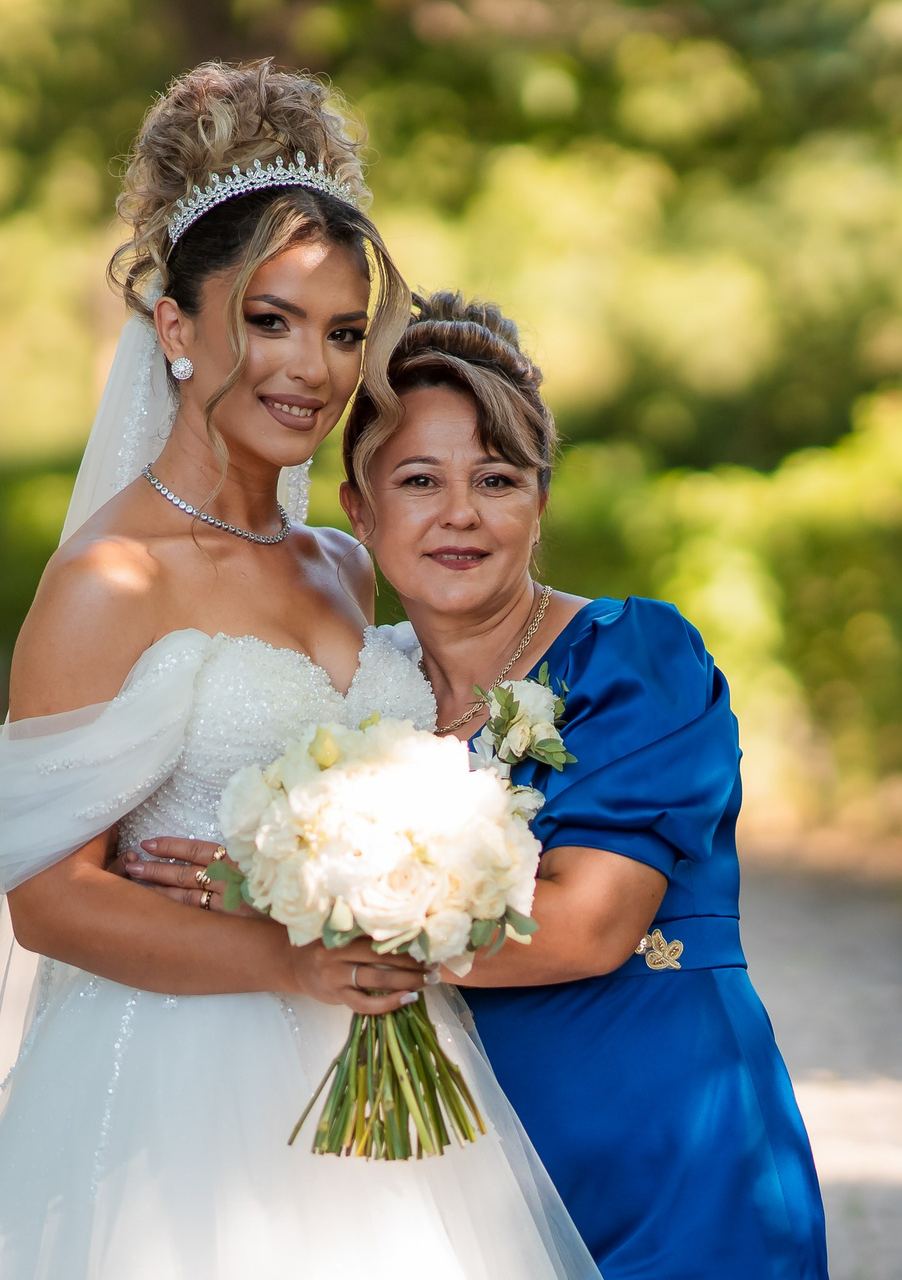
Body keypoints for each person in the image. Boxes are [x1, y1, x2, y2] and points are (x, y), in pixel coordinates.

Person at [0, 63, 596, 1280]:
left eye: (342, 332)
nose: (312, 367)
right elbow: (47, 898)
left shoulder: (343, 565)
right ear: (177, 329)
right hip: (177, 1087)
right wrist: (287, 956)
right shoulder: (111, 578)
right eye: (270, 320)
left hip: (386, 1079)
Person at [133, 293, 830, 1279]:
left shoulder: (634, 660)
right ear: (360, 511)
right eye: (419, 480)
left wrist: (297, 905)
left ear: (539, 502)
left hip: (668, 1159)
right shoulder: (362, 699)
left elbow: (588, 925)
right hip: (457, 1191)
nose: (460, 513)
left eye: (497, 479)